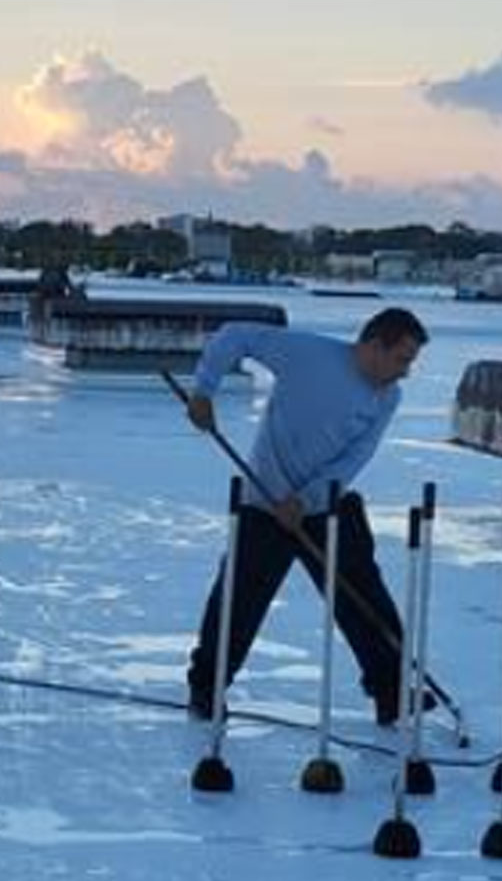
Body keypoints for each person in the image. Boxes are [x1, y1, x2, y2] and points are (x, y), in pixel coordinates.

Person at [184, 307, 433, 726]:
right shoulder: (306, 353)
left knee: (366, 600)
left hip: (328, 506)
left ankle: (392, 693)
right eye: (401, 359)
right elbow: (233, 336)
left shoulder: (387, 397)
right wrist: (203, 391)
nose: (405, 372)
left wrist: (307, 499)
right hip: (263, 502)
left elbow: (355, 457)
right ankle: (205, 692)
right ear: (374, 345)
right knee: (238, 602)